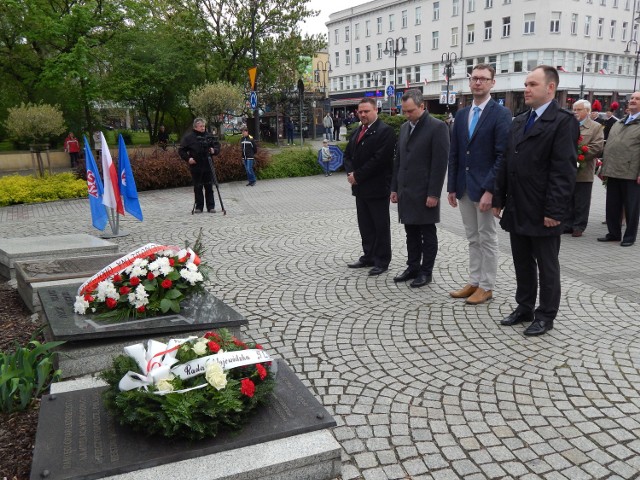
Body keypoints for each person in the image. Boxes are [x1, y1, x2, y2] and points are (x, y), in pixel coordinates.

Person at [492, 65, 578, 336]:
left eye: (532, 84)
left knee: (547, 265)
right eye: (525, 84)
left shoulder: (563, 121)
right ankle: (525, 306)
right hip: (518, 206)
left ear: (550, 88)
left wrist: (554, 210)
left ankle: (545, 315)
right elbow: (507, 162)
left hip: (543, 209)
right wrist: (499, 197)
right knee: (522, 261)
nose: (526, 89)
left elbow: (563, 171)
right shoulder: (519, 120)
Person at [447, 64, 512, 304]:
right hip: (464, 187)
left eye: (483, 79)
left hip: (484, 189)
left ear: (492, 83)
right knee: (472, 238)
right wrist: (451, 186)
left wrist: (490, 191)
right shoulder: (462, 114)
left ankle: (487, 286)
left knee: (487, 238)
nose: (478, 83)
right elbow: (454, 153)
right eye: (474, 78)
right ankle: (474, 281)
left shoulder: (500, 114)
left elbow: (501, 156)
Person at [390, 89, 449, 287]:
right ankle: (412, 266)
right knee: (410, 233)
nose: (407, 115)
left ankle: (426, 271)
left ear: (422, 106)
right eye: (404, 111)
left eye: (410, 111)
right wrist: (394, 188)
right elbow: (398, 160)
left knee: (427, 234)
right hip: (406, 190)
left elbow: (439, 164)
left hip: (425, 193)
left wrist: (434, 193)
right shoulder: (406, 127)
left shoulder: (437, 127)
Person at [344, 97, 396, 276]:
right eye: (360, 111)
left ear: (376, 111)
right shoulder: (358, 130)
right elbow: (348, 155)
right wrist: (351, 174)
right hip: (360, 188)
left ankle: (382, 260)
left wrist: (357, 175)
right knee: (365, 225)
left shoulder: (385, 131)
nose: (363, 114)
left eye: (366, 111)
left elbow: (379, 160)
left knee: (380, 226)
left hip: (377, 187)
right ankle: (368, 255)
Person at [597, 91, 640, 247]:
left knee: (631, 207)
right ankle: (613, 233)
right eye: (632, 98)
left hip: (631, 172)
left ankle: (629, 236)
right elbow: (610, 145)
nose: (633, 100)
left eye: (637, 99)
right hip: (613, 170)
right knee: (612, 205)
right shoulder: (619, 122)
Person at [565, 100, 604, 237]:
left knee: (582, 200)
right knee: (568, 198)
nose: (575, 112)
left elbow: (597, 147)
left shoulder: (596, 127)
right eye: (574, 109)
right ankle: (567, 224)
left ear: (587, 111)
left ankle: (579, 226)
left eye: (579, 109)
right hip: (567, 170)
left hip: (584, 169)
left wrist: (578, 154)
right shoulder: (567, 125)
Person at [179, 117, 219, 213]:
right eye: (201, 126)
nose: (203, 128)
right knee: (198, 187)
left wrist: (214, 150)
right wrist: (188, 159)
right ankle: (199, 207)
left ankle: (211, 206)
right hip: (196, 165)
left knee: (209, 186)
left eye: (204, 126)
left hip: (207, 164)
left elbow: (217, 146)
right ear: (195, 127)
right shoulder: (189, 138)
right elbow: (181, 150)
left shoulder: (209, 136)